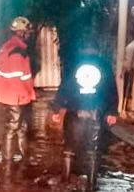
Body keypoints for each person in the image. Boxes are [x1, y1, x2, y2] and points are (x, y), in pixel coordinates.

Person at [50, 45, 119, 187]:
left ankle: (66, 181)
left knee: (69, 148)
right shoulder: (104, 65)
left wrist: (57, 108)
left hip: (75, 111)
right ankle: (91, 185)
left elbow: (65, 88)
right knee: (93, 150)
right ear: (96, 49)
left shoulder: (73, 63)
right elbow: (111, 90)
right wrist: (112, 112)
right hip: (96, 113)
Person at [0, 16, 36, 164]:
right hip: (17, 96)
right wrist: (29, 96)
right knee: (13, 127)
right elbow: (22, 78)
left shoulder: (6, 47)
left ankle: (24, 158)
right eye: (27, 32)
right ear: (21, 32)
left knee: (20, 127)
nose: (29, 34)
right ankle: (7, 162)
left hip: (7, 95)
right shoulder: (19, 51)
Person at [120, 39, 134, 118]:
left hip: (130, 69)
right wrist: (124, 71)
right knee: (128, 90)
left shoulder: (131, 46)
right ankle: (125, 108)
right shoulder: (132, 47)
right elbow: (128, 61)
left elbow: (127, 61)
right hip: (130, 70)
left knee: (128, 89)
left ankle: (126, 108)